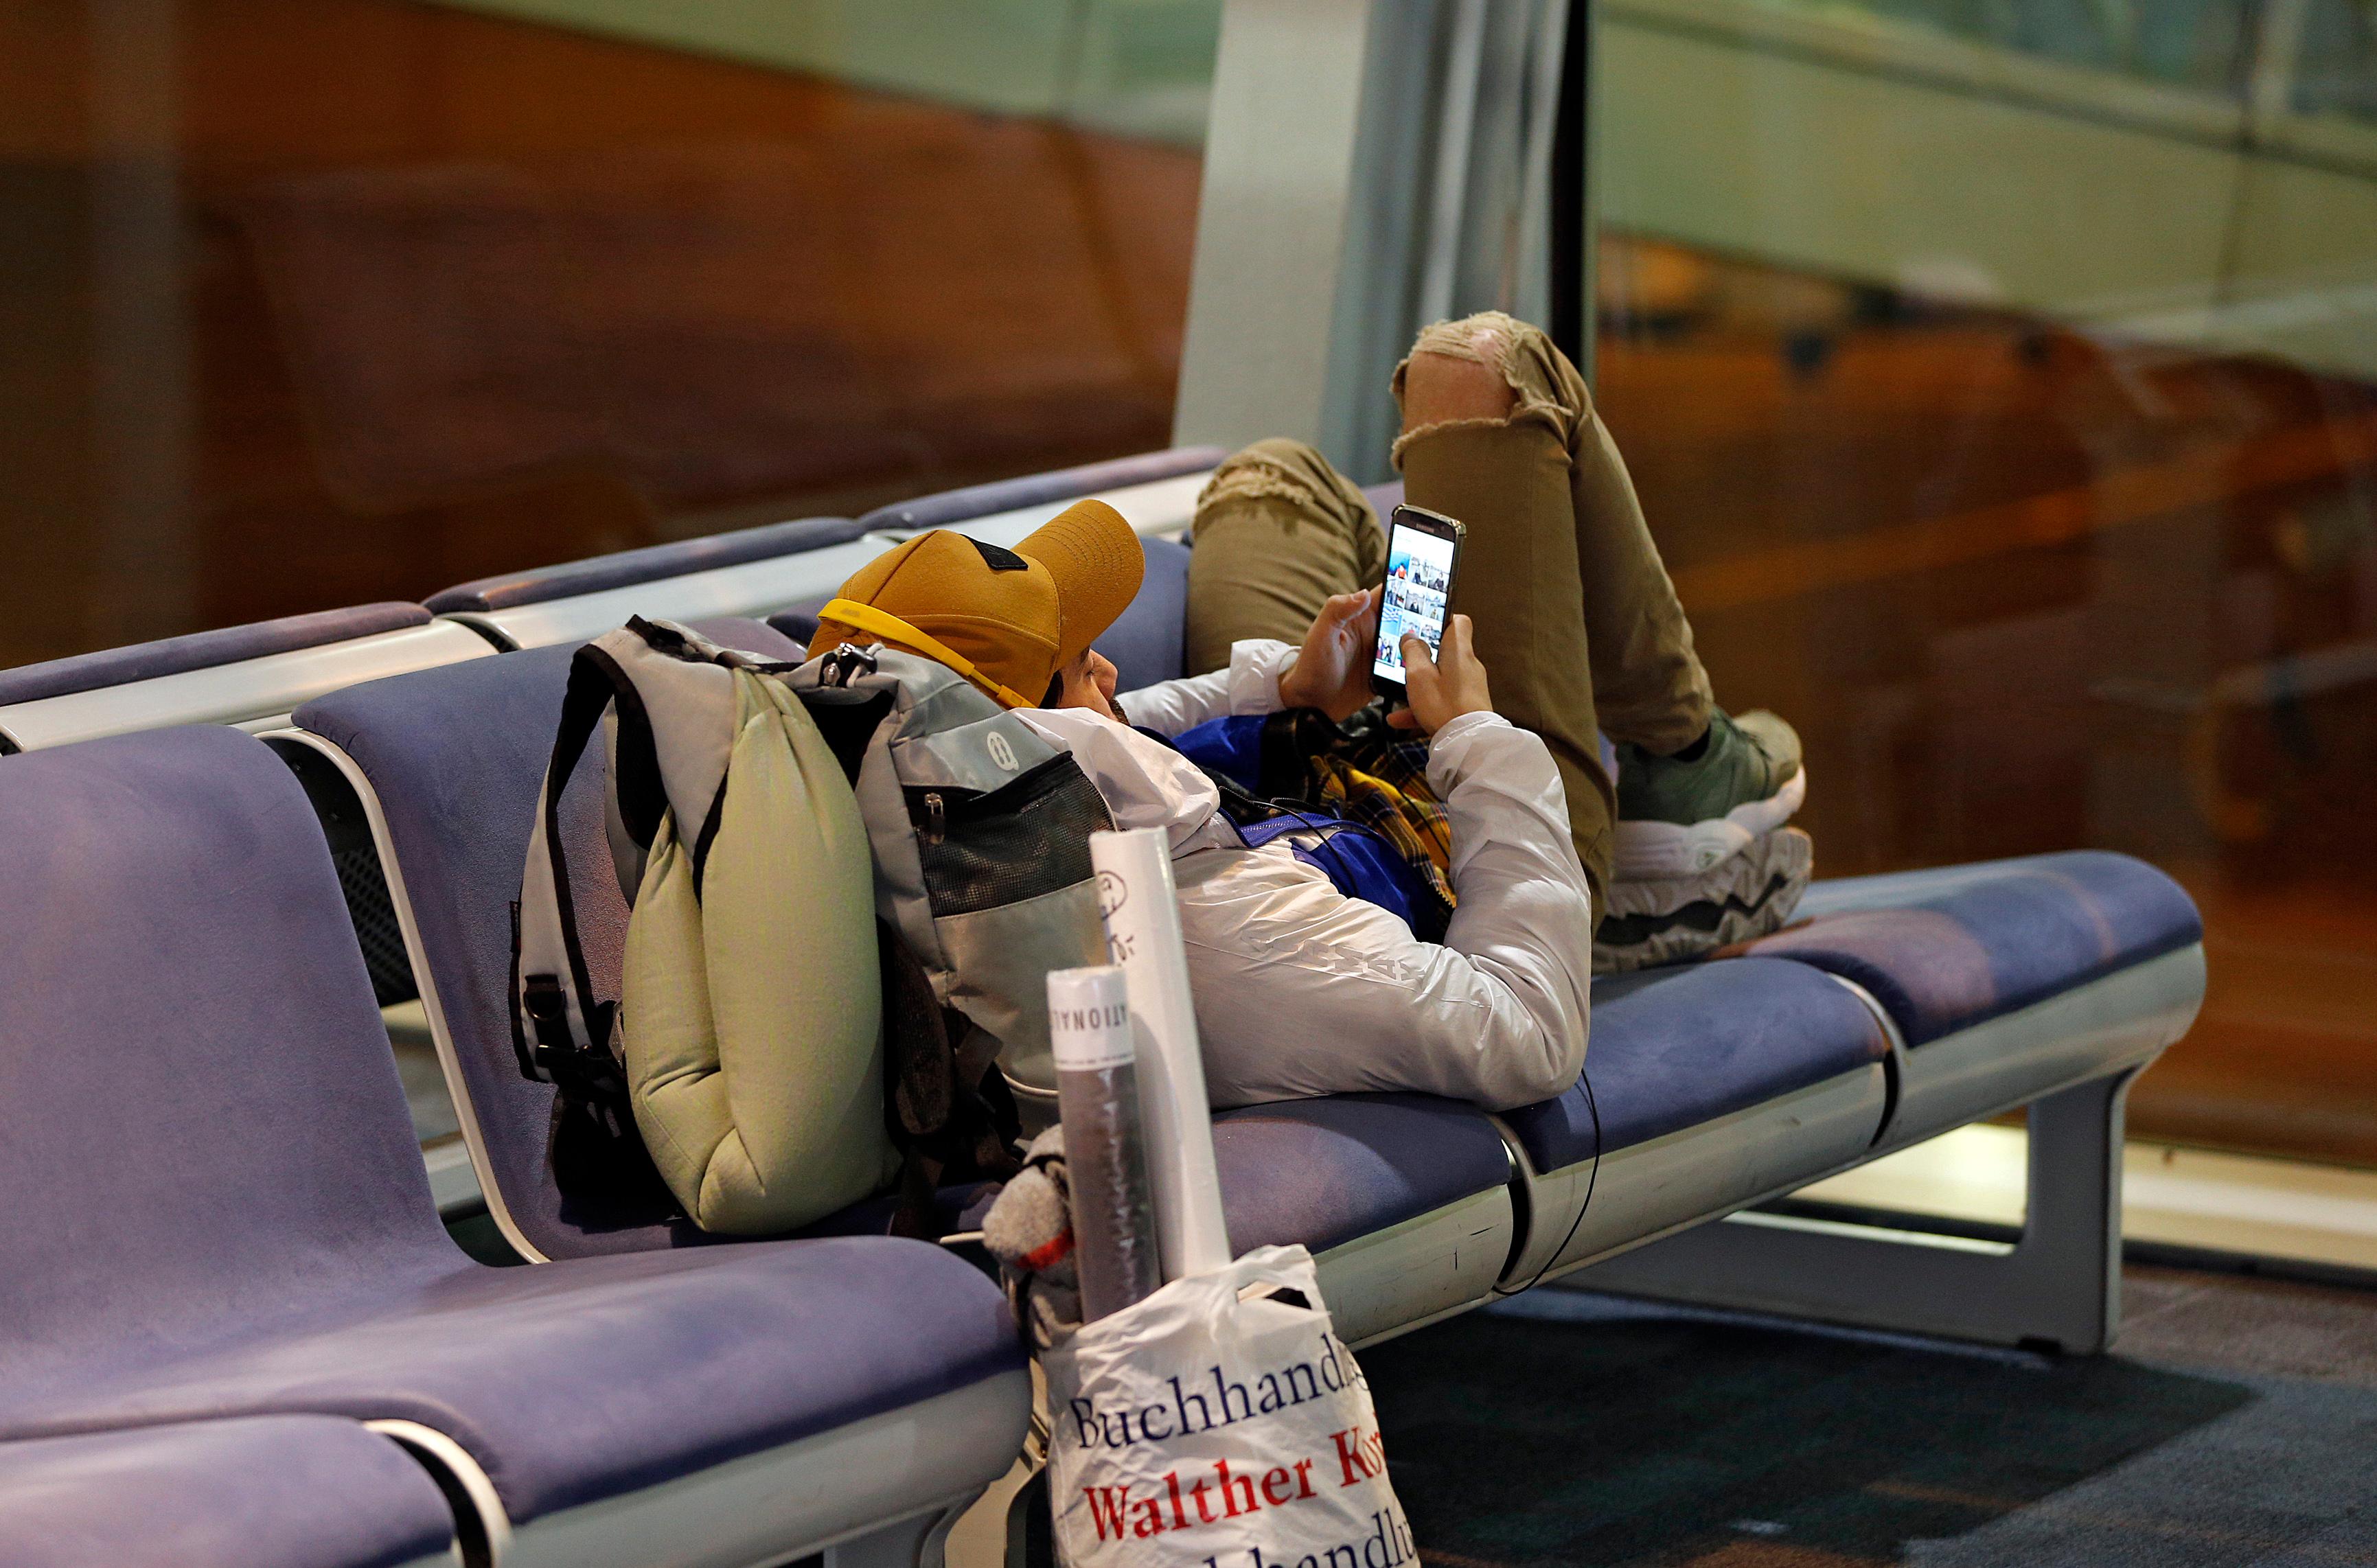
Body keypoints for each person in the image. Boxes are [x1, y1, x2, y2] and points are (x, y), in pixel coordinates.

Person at [806, 312, 1801, 1110]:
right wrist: (1474, 737)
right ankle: (1680, 762)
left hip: (1311, 778)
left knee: (1270, 478)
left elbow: (1128, 731)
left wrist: (1285, 691)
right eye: (1076, 670)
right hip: (1460, 838)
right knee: (1487, 367)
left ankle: (1604, 753)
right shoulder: (1246, 944)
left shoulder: (987, 798)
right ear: (1045, 730)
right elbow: (1528, 1035)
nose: (1108, 667)